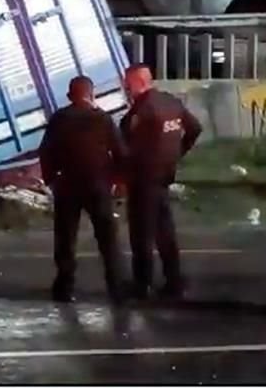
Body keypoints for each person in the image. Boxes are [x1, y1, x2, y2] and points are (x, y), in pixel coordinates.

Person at [39, 75, 126, 303]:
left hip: (67, 186)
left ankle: (64, 287)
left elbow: (45, 151)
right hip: (98, 185)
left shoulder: (60, 119)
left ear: (69, 96)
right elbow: (120, 152)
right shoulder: (103, 119)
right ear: (92, 94)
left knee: (66, 238)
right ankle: (116, 287)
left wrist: (51, 179)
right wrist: (117, 180)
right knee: (107, 238)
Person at [120, 64, 202, 300]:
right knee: (165, 232)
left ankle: (142, 284)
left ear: (137, 82)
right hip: (164, 176)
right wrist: (177, 153)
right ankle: (174, 280)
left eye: (127, 83)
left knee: (142, 234)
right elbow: (195, 128)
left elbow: (124, 146)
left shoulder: (140, 110)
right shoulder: (171, 102)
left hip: (143, 180)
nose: (125, 87)